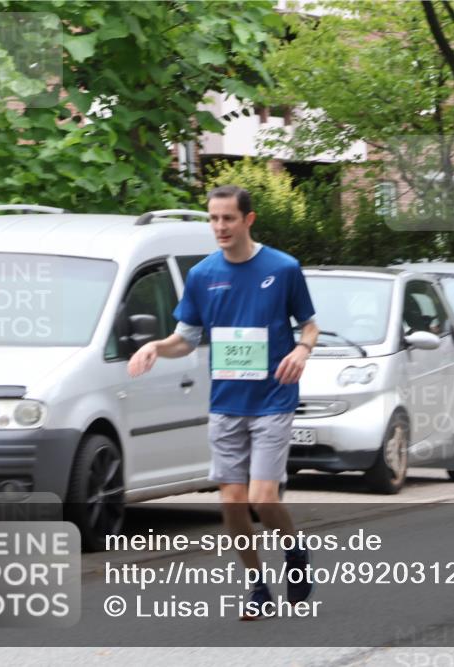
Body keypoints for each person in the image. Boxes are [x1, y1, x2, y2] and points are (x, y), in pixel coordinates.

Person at [128, 185, 319, 617]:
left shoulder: (283, 268)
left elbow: (309, 325)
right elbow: (185, 339)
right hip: (226, 403)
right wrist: (156, 346)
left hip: (273, 398)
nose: (220, 227)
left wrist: (301, 350)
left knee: (263, 498)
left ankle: (294, 551)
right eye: (214, 218)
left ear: (248, 220)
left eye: (228, 218)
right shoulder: (202, 275)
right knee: (231, 501)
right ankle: (258, 588)